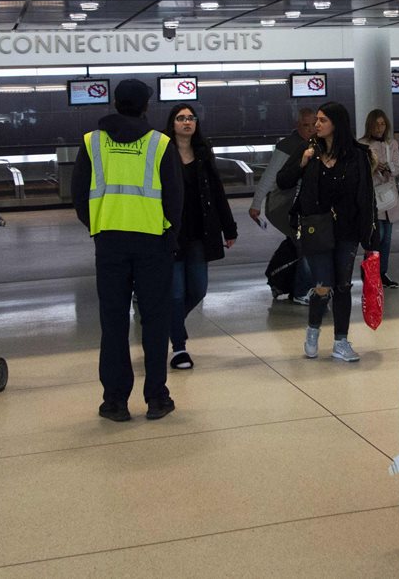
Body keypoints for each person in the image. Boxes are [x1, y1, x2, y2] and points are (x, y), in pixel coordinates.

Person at [71, 78, 183, 422]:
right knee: (154, 321)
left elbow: (78, 195)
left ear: (117, 103)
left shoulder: (92, 143)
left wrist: (97, 227)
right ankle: (156, 398)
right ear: (145, 106)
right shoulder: (160, 143)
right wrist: (169, 236)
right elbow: (175, 198)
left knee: (114, 322)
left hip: (109, 243)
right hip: (152, 242)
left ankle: (115, 401)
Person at [276, 101, 376, 362]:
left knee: (342, 286)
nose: (317, 125)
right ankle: (312, 331)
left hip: (347, 229)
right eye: (316, 120)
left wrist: (369, 236)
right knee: (323, 285)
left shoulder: (357, 155)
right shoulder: (308, 149)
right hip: (316, 228)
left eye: (322, 120)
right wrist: (302, 161)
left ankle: (341, 342)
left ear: (337, 124)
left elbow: (366, 197)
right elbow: (283, 180)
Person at [164, 103, 237, 370]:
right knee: (176, 291)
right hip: (171, 233)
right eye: (181, 118)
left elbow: (217, 191)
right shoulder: (163, 152)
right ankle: (179, 346)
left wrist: (229, 228)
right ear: (172, 123)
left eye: (190, 118)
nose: (186, 122)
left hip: (199, 232)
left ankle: (166, 323)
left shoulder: (204, 153)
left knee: (197, 289)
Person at [249, 108, 317, 304]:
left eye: (314, 124)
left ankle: (285, 282)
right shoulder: (288, 146)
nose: (311, 129)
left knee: (301, 243)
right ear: (298, 126)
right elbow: (270, 177)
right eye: (306, 125)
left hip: (303, 208)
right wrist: (256, 205)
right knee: (306, 244)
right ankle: (301, 290)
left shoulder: (317, 145)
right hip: (286, 207)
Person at [359, 108, 399, 288]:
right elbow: (360, 172)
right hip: (373, 196)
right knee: (377, 235)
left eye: (382, 123)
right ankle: (369, 272)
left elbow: (397, 169)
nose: (379, 127)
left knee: (387, 238)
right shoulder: (362, 145)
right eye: (376, 124)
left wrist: (386, 167)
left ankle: (382, 272)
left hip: (389, 196)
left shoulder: (391, 144)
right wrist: (374, 167)